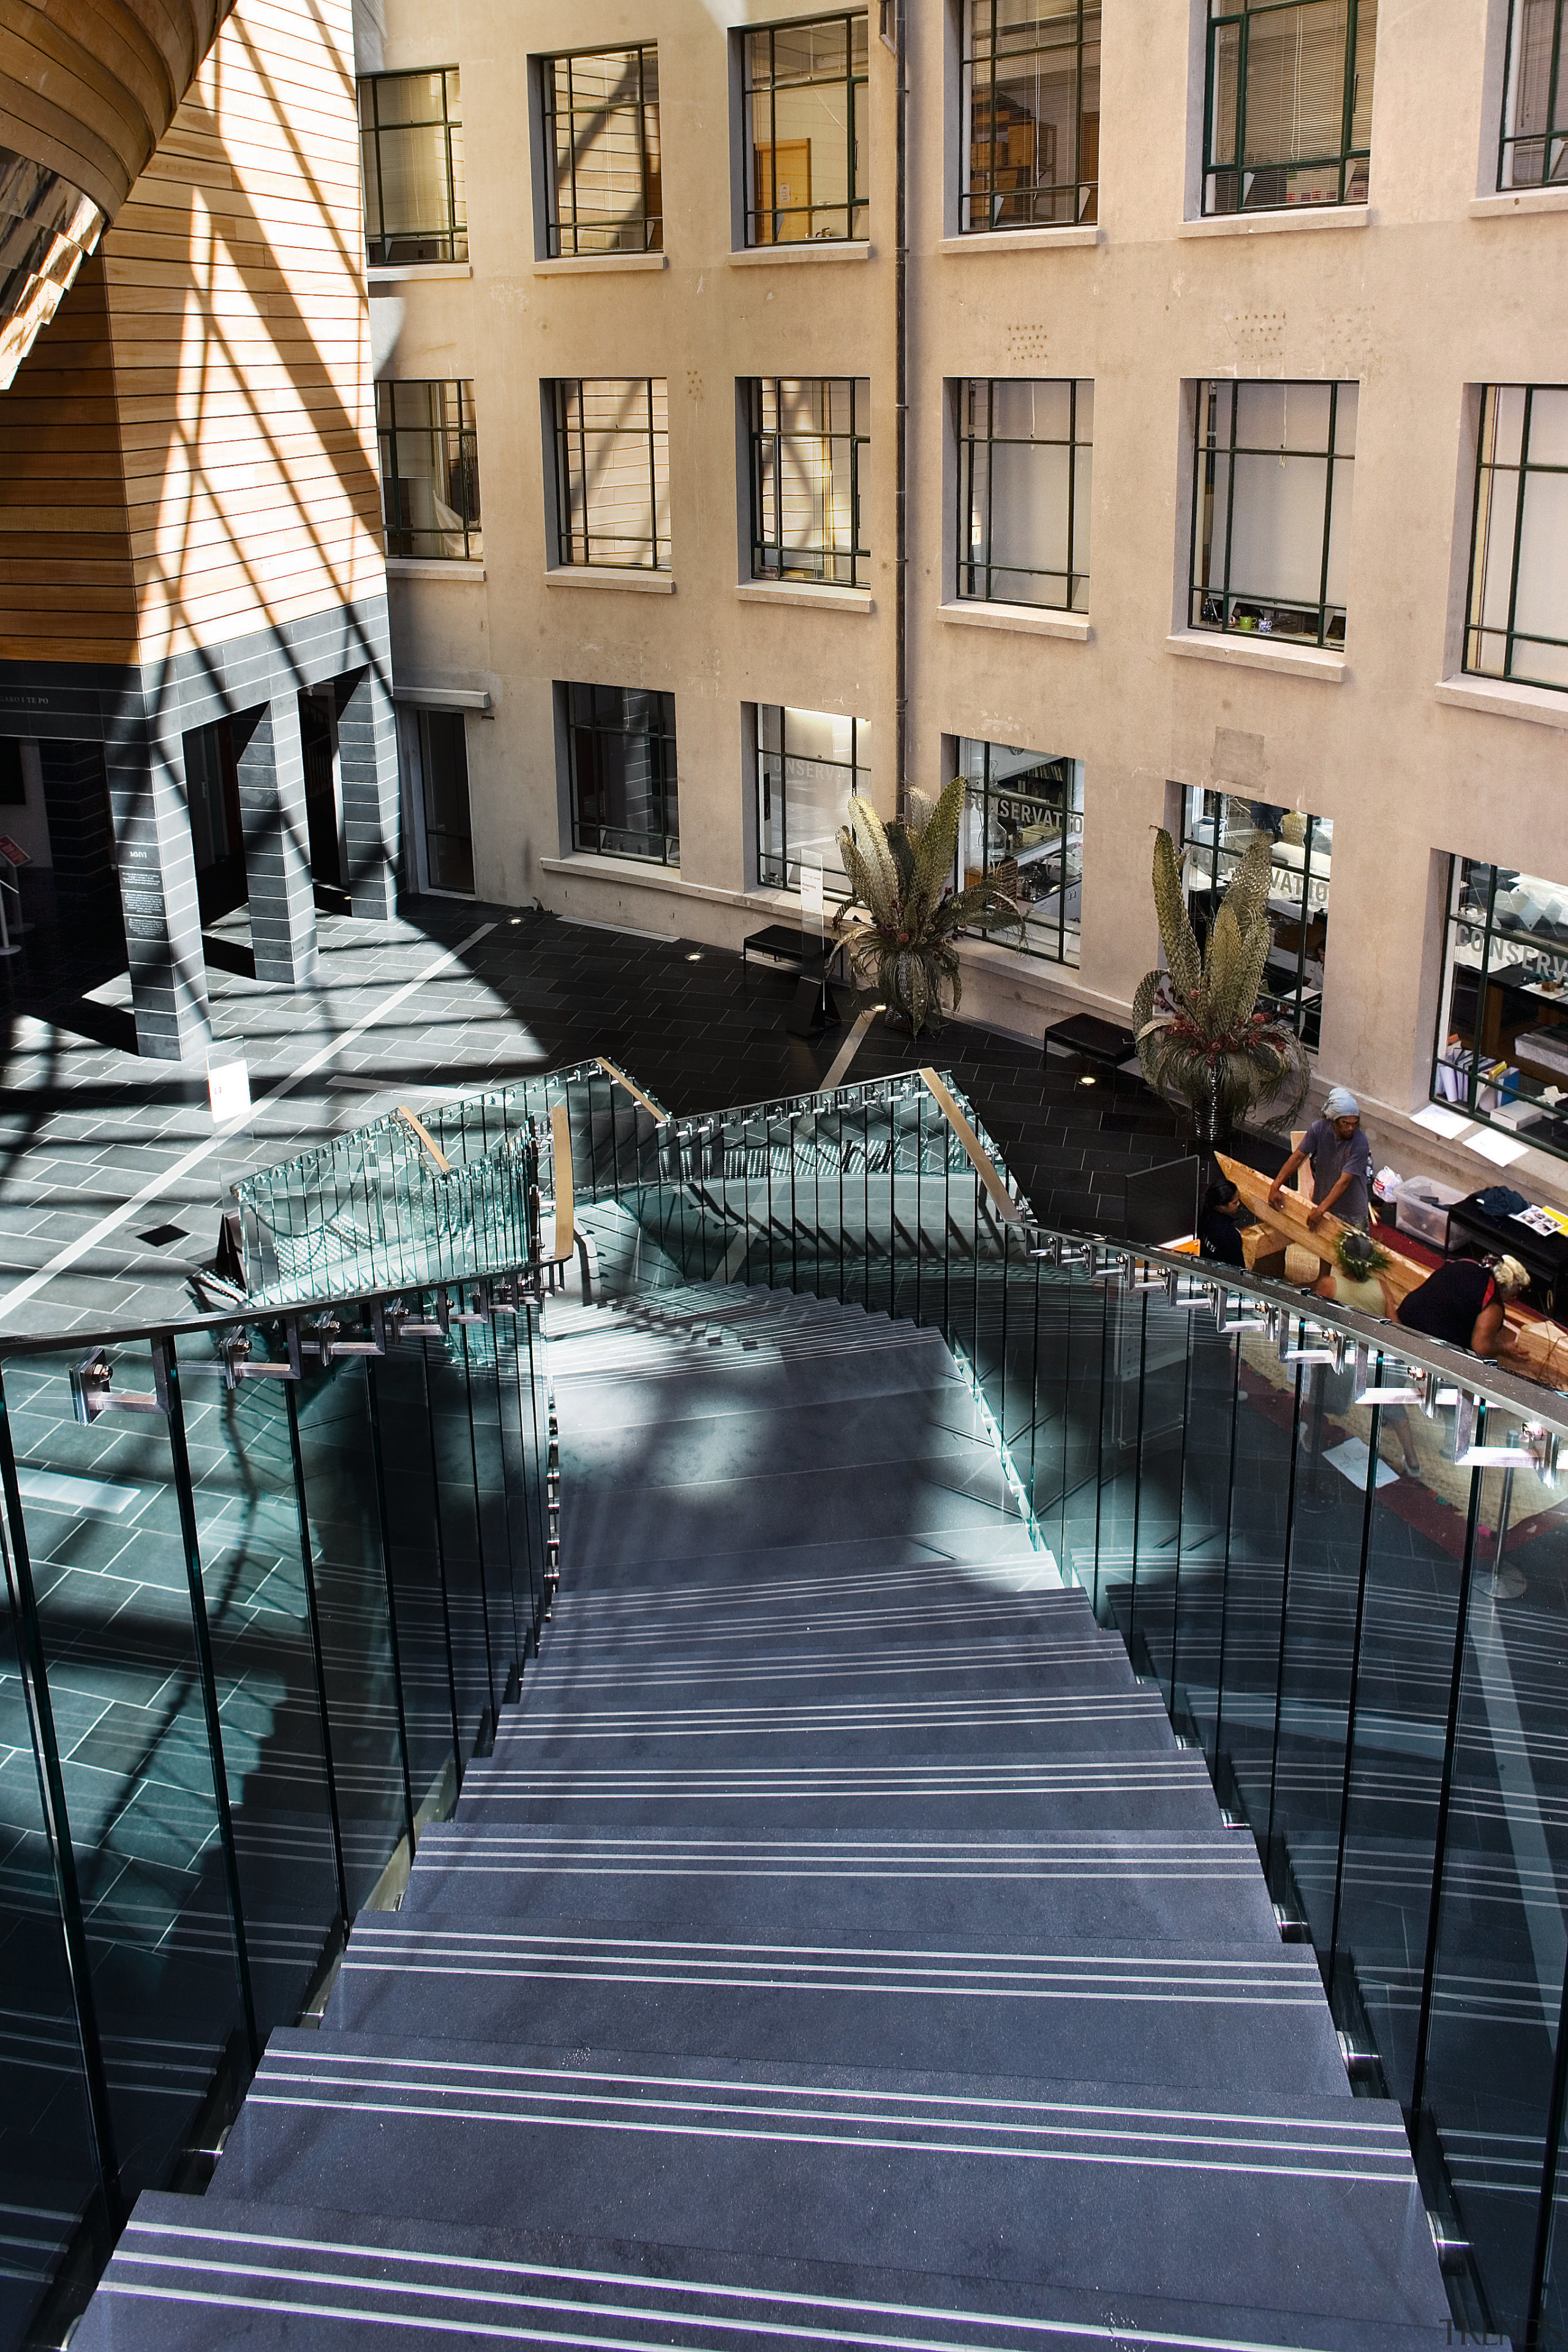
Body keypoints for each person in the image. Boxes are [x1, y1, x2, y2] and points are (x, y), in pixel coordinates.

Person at [1268, 1086, 1374, 1231]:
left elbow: (1344, 1181)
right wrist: (1276, 1186)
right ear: (1334, 1120)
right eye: (1345, 1123)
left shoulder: (1360, 1142)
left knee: (1353, 1251)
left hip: (1351, 1211)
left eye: (1354, 1124)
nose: (1350, 1128)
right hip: (1323, 1203)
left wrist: (1320, 1211)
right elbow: (1298, 1157)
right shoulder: (1318, 1129)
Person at [1396, 1253, 1528, 1358]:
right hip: (1428, 1345)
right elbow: (1481, 1348)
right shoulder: (1493, 1302)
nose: (1512, 1299)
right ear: (1507, 1289)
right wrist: (1503, 1348)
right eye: (1513, 1296)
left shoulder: (1465, 1263)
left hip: (1403, 1319)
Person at [1197, 1178, 1247, 1265]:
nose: (1239, 1204)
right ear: (1221, 1206)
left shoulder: (1203, 1211)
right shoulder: (1228, 1233)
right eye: (1235, 1203)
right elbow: (1238, 1264)